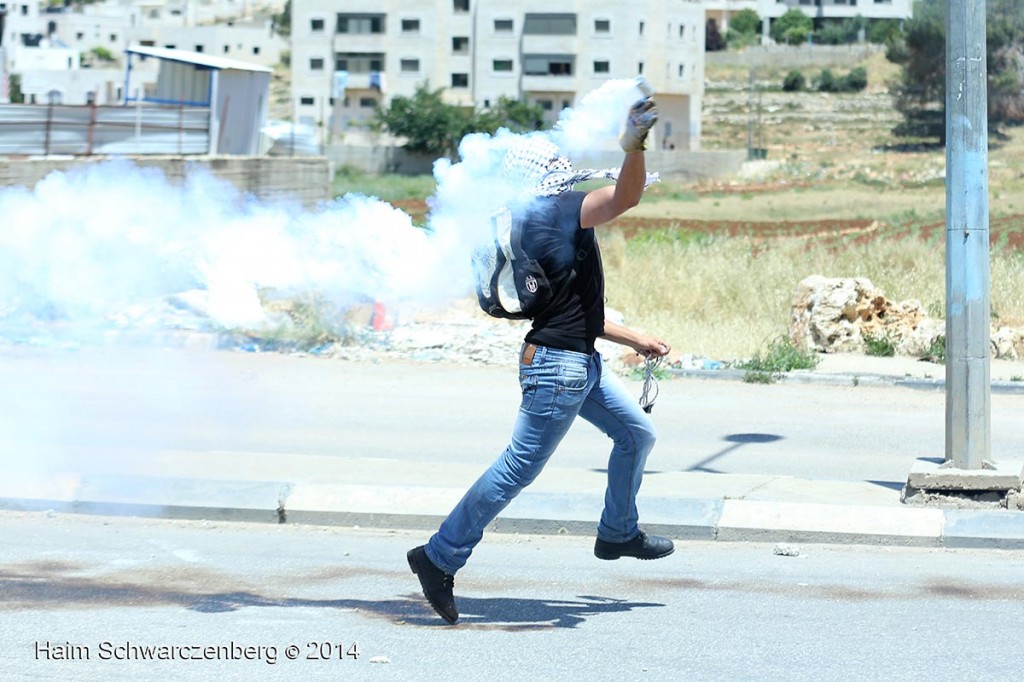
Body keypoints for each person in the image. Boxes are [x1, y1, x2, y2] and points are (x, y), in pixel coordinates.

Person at [407, 94, 673, 625]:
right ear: (548, 177)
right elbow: (626, 195)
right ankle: (438, 556)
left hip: (570, 359)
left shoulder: (526, 220)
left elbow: (572, 311)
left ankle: (617, 531)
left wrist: (634, 338)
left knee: (636, 435)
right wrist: (634, 145)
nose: (567, 170)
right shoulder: (560, 210)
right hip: (560, 369)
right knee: (516, 469)